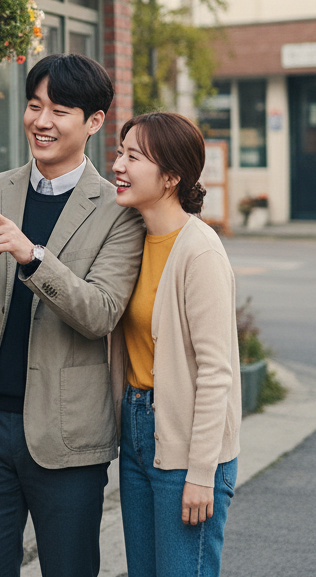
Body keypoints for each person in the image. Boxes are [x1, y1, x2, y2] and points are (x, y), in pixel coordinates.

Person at [0, 53, 145, 577]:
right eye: (34, 105)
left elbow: (100, 313)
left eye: (60, 110)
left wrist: (34, 257)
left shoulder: (119, 209)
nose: (41, 121)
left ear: (93, 122)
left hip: (66, 436)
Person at [111, 113, 240, 577]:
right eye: (119, 152)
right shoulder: (130, 239)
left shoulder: (199, 250)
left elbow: (216, 372)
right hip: (138, 431)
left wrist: (202, 473)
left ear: (170, 177)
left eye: (132, 156)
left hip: (187, 446)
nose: (117, 165)